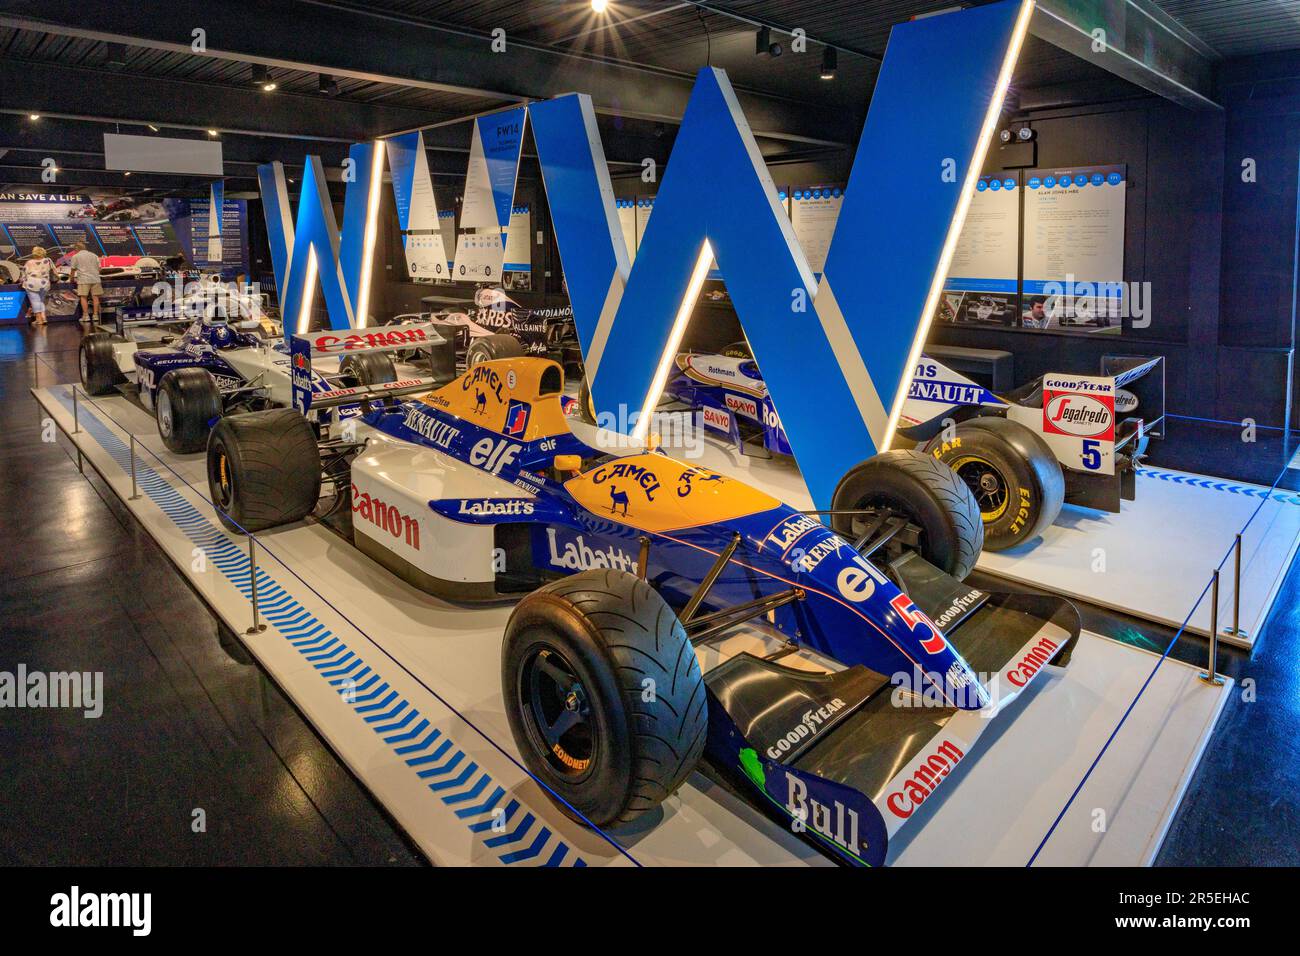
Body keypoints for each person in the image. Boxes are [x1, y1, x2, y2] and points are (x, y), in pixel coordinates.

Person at [69, 241, 103, 325]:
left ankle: (86, 316)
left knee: (83, 297)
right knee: (95, 297)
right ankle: (95, 316)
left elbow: (73, 269)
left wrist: (71, 279)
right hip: (95, 279)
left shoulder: (75, 256)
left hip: (83, 280)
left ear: (76, 249)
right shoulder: (94, 255)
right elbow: (100, 269)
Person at [22, 246, 54, 326]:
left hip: (32, 284)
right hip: (45, 284)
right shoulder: (47, 261)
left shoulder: (29, 262)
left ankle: (38, 320)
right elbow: (53, 271)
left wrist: (21, 280)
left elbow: (24, 274)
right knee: (41, 301)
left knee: (35, 301)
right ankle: (44, 318)